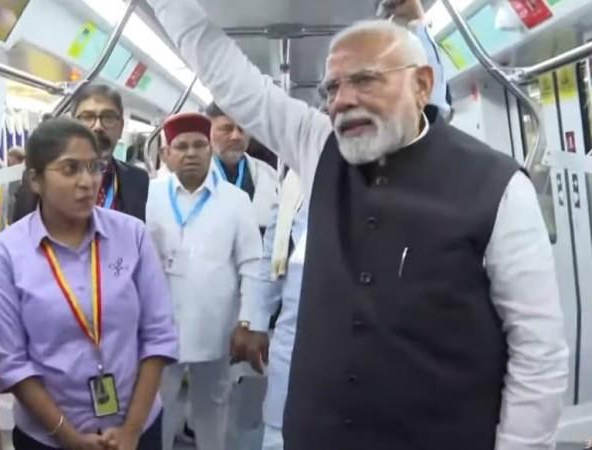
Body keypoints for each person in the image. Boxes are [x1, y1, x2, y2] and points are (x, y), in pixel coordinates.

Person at [146, 0, 569, 449]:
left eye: (365, 79)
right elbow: (228, 75)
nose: (342, 100)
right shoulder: (319, 147)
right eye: (332, 88)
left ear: (422, 84)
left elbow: (537, 351)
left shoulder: (498, 187)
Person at [0, 117, 178, 450]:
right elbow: (11, 362)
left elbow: (158, 335)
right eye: (70, 169)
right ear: (35, 180)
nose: (88, 181)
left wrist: (132, 430)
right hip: (49, 437)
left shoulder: (132, 235)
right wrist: (68, 437)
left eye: (94, 167)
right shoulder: (7, 253)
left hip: (138, 428)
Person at [145, 112, 263, 450]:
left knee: (214, 405)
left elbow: (252, 264)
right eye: (181, 147)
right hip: (159, 326)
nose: (191, 153)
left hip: (216, 326)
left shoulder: (236, 201)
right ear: (166, 154)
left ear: (210, 150)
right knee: (158, 405)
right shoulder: (150, 197)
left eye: (199, 145)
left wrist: (248, 321)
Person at [238, 170, 307, 450]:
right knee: (278, 434)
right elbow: (271, 256)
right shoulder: (296, 182)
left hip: (356, 335)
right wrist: (256, 323)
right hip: (293, 333)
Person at [12, 85, 150, 223]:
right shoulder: (45, 176)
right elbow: (23, 230)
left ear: (120, 127)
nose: (98, 127)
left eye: (108, 117)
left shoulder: (137, 180)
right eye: (87, 117)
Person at [205, 102, 278, 231]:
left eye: (242, 129)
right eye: (226, 129)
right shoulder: (189, 177)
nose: (236, 136)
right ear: (208, 131)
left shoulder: (269, 175)